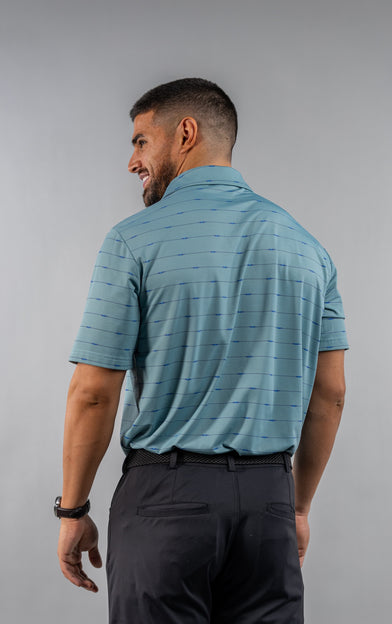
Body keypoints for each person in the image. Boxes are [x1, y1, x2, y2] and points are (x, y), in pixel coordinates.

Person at [56, 78, 348, 623]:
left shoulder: (133, 240)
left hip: (166, 496)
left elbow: (93, 392)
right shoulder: (310, 250)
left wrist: (72, 509)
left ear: (185, 133)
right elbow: (330, 395)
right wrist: (297, 507)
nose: (132, 162)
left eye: (141, 141)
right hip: (270, 501)